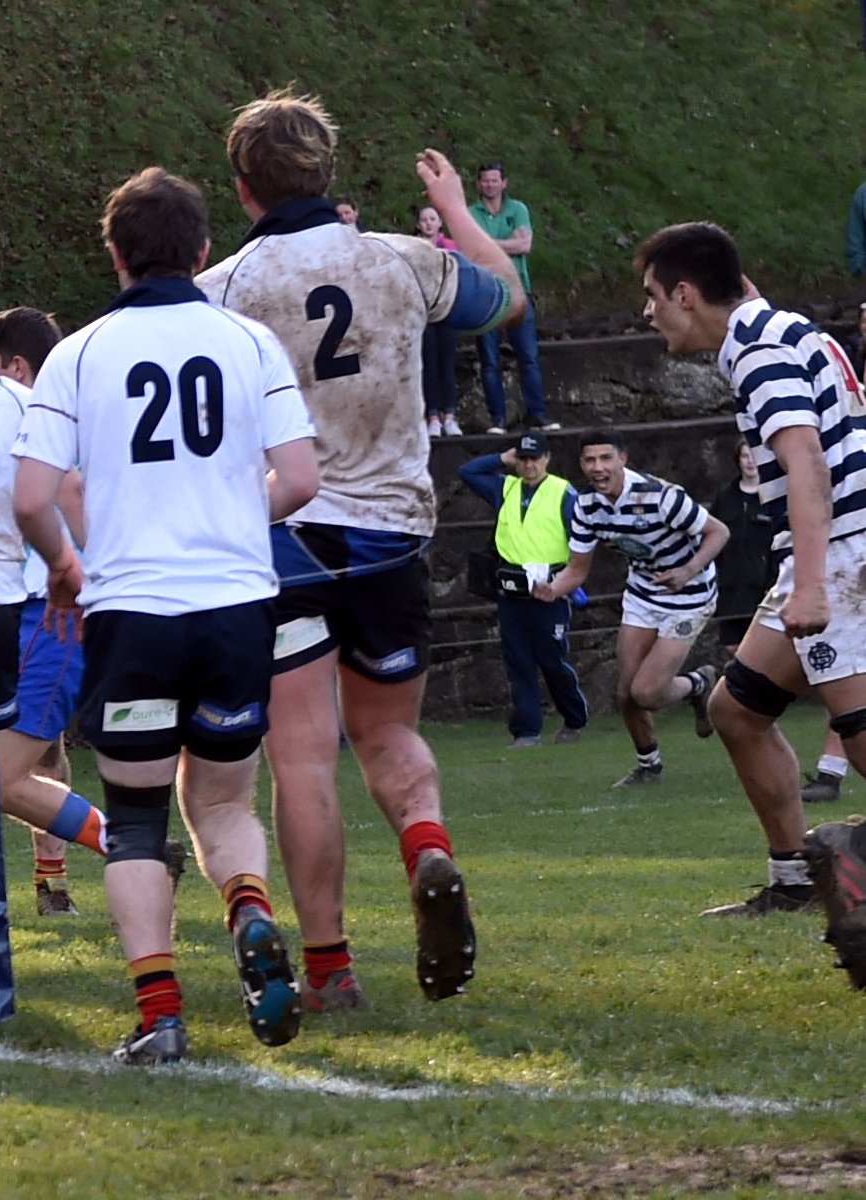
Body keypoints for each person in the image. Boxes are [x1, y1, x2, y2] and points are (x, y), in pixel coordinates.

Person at [195, 97, 520, 1013]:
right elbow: (507, 296)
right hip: (388, 537)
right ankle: (426, 845)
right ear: (329, 171)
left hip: (285, 537)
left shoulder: (222, 290)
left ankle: (331, 967)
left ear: (243, 186)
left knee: (301, 756)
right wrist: (456, 210)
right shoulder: (401, 259)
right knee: (389, 733)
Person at [16, 166, 329, 1066]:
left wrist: (68, 566)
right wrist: (233, 520)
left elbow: (32, 494)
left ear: (114, 255)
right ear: (201, 252)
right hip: (236, 608)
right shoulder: (247, 341)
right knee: (225, 797)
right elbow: (301, 480)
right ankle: (253, 911)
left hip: (134, 614)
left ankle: (160, 1015)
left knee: (139, 819)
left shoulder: (77, 353)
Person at [639, 220, 866, 979]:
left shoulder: (760, 351)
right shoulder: (772, 325)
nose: (647, 314)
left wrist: (809, 584)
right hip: (833, 548)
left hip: (842, 553)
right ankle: (796, 880)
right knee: (735, 710)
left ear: (684, 293)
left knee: (861, 741)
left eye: (651, 297)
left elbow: (805, 463)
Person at [0, 307, 111, 917]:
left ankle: (134, 846)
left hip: (45, 614)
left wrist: (95, 575)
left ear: (17, 368)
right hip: (41, 611)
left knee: (1, 774)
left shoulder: (35, 424)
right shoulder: (72, 416)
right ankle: (53, 886)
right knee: (44, 756)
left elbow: (67, 503)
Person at [546, 436, 728, 791]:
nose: (598, 468)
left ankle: (699, 684)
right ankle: (649, 766)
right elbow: (577, 570)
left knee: (647, 692)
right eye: (589, 461)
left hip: (689, 595)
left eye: (605, 458)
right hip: (643, 595)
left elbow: (718, 532)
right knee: (626, 693)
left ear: (623, 459)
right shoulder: (586, 505)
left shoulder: (661, 496)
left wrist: (688, 570)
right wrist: (549, 590)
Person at [462, 436, 591, 745]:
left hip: (550, 586)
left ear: (546, 458)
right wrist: (501, 459)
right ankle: (526, 730)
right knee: (518, 661)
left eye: (535, 458)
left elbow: (582, 538)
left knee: (552, 660)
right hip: (512, 588)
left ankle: (574, 718)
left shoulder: (562, 492)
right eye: (523, 458)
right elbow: (468, 472)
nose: (529, 465)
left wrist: (569, 581)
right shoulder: (505, 488)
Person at [470, 161, 546, 429]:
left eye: (494, 180)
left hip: (518, 292)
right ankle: (498, 418)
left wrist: (489, 244)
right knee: (490, 361)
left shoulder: (518, 209)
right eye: (485, 181)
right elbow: (473, 250)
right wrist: (507, 244)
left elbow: (525, 245)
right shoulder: (470, 213)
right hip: (485, 294)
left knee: (529, 356)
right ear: (479, 184)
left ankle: (538, 414)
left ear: (504, 183)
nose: (490, 185)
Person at [415, 207, 468, 440]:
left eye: (432, 219)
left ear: (439, 223)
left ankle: (450, 416)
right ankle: (432, 417)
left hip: (448, 311)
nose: (428, 224)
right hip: (424, 314)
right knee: (428, 365)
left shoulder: (452, 247)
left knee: (447, 365)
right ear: (418, 224)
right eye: (424, 220)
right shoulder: (412, 247)